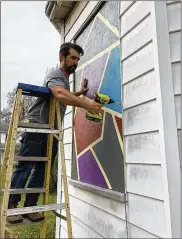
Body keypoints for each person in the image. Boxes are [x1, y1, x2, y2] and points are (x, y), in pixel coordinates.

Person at [7, 42, 102, 224]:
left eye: (78, 59)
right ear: (62, 57)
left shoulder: (64, 79)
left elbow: (64, 92)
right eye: (73, 58)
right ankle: (11, 207)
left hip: (51, 129)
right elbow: (59, 94)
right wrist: (88, 104)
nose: (76, 62)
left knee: (43, 169)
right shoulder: (55, 74)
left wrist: (80, 93)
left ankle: (31, 207)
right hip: (36, 127)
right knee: (25, 167)